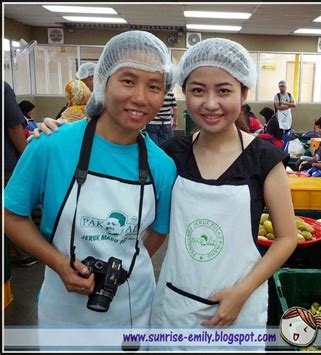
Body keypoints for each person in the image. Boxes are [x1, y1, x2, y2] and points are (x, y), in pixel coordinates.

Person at [4, 31, 176, 348]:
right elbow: (11, 214)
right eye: (128, 81)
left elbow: (158, 232)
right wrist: (58, 262)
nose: (141, 97)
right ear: (102, 81)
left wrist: (124, 264)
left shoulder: (163, 166)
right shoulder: (52, 145)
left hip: (133, 309)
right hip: (63, 312)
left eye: (154, 86)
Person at [150, 38, 297, 334]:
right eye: (198, 91)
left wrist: (241, 292)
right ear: (185, 94)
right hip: (176, 303)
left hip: (238, 307)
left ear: (244, 93)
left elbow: (287, 238)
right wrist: (60, 133)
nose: (210, 103)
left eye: (224, 91)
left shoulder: (264, 159)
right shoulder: (170, 153)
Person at [4, 81, 39, 267]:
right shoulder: (3, 88)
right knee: (15, 208)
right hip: (6, 163)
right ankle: (25, 252)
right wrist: (28, 159)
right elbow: (14, 127)